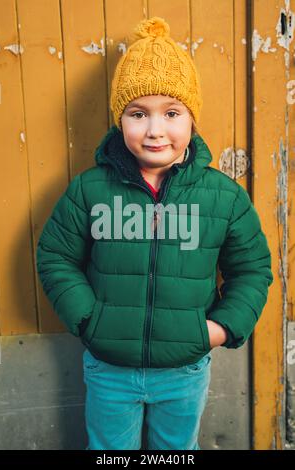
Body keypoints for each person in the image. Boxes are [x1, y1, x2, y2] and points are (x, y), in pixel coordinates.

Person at [36, 17, 273, 450]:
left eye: (171, 113)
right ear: (119, 119)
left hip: (184, 369)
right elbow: (56, 256)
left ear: (191, 119)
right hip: (110, 368)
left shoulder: (223, 197)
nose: (155, 130)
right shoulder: (90, 189)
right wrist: (90, 319)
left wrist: (218, 329)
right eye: (138, 113)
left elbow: (252, 270)